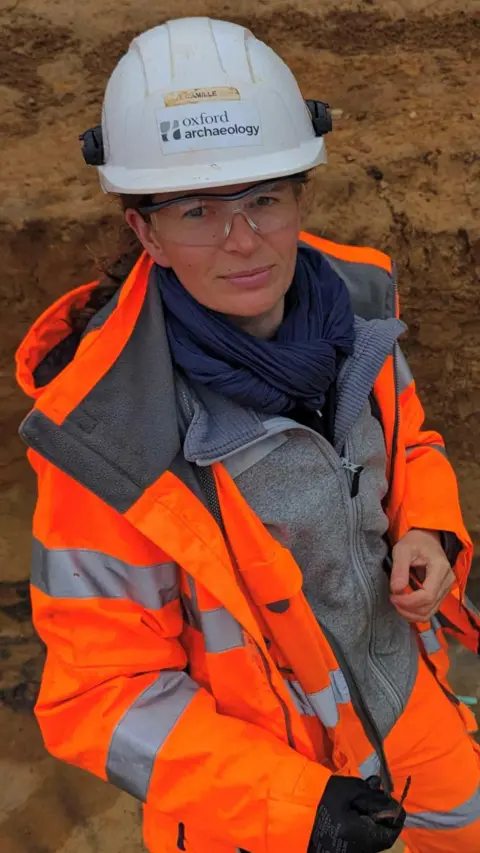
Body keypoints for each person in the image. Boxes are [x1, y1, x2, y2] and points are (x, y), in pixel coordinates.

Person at [16, 17, 480, 853]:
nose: (243, 239)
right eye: (196, 209)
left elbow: (413, 444)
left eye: (264, 197)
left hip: (409, 699)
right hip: (263, 792)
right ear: (145, 233)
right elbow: (101, 695)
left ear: (302, 192)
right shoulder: (107, 441)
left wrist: (430, 526)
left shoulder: (360, 307)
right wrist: (297, 806)